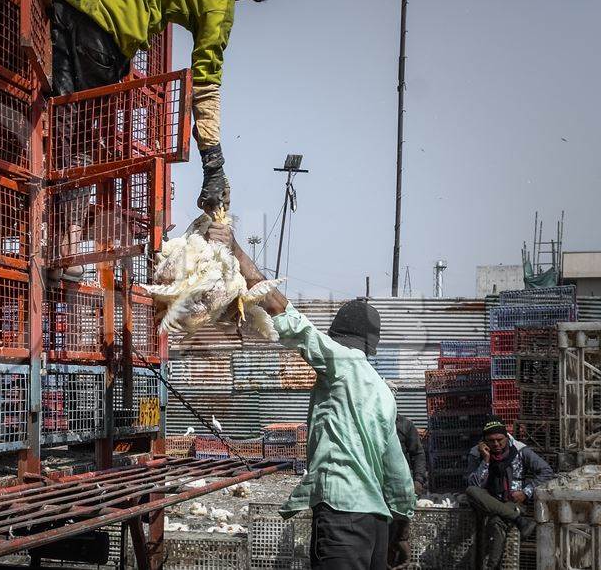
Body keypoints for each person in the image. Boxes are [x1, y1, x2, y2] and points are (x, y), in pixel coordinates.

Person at [49, 0, 285, 281]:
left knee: (57, 118)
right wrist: (214, 165)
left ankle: (55, 243)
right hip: (105, 28)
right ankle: (64, 247)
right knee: (81, 141)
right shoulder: (220, 1)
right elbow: (206, 85)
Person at [207, 224, 415, 570]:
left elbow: (286, 315)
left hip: (342, 517)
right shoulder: (382, 390)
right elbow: (397, 471)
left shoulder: (341, 364)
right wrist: (401, 531)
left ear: (339, 338)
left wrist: (236, 250)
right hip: (376, 524)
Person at [465, 416, 555, 570]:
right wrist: (485, 460)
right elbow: (475, 484)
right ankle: (520, 521)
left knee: (497, 522)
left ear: (506, 437)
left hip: (513, 501)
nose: (496, 444)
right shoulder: (476, 453)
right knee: (471, 491)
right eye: (491, 441)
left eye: (500, 440)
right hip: (488, 500)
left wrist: (526, 492)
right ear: (484, 441)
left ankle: (491, 567)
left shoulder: (520, 451)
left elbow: (546, 471)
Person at [385, 382, 428, 569]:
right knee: (381, 532)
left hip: (401, 487)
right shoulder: (371, 424)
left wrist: (418, 480)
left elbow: (418, 453)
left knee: (400, 532)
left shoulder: (404, 425)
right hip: (378, 486)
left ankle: (402, 562)